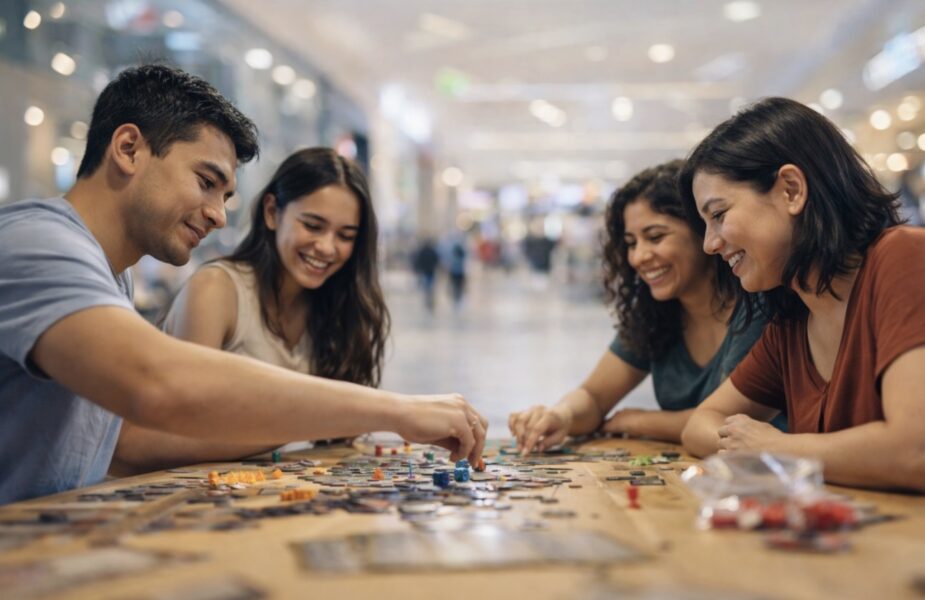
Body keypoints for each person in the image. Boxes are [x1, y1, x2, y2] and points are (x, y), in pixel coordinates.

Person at [0, 64, 487, 505]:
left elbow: (112, 441)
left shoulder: (112, 273)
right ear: (128, 149)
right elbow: (156, 386)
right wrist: (393, 411)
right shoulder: (38, 243)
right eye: (205, 181)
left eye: (226, 194)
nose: (217, 214)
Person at [679, 97, 925, 492]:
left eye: (719, 214)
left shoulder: (905, 257)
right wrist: (767, 448)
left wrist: (779, 448)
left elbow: (915, 451)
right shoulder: (793, 321)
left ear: (791, 190)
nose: (709, 244)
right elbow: (699, 426)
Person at [111, 147, 392, 473]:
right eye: (313, 226)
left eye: (345, 236)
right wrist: (314, 418)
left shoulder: (337, 307)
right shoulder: (216, 290)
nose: (327, 247)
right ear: (272, 212)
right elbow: (176, 432)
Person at [509, 160, 770, 455]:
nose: (639, 256)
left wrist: (639, 420)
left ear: (703, 232)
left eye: (655, 237)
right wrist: (560, 415)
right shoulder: (657, 314)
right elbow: (594, 397)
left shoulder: (757, 306)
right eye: (631, 243)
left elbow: (731, 422)